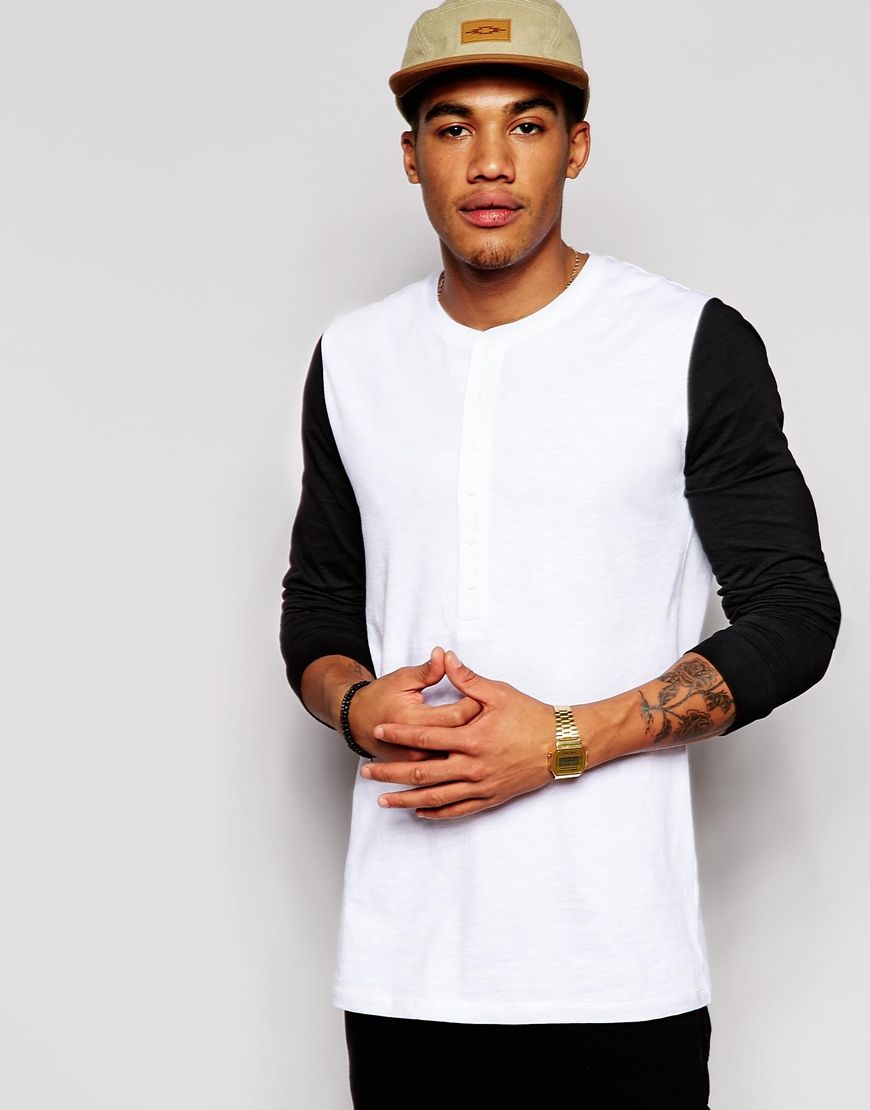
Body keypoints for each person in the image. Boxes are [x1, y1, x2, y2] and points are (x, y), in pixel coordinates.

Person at [279, 1, 841, 1105]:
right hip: (405, 972)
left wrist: (567, 741)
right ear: (412, 156)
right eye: (453, 127)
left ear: (576, 147)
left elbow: (794, 614)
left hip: (616, 968)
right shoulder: (352, 358)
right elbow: (319, 606)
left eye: (527, 125)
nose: (490, 161)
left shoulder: (688, 342)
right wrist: (355, 705)